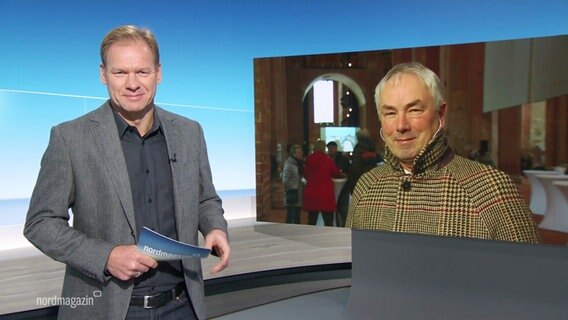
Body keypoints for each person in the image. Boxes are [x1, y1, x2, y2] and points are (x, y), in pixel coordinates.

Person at [24, 25, 230, 319]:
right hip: (106, 308)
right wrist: (106, 257)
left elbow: (205, 198)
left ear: (158, 73)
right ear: (103, 75)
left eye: (142, 72)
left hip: (182, 305)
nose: (132, 83)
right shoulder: (70, 138)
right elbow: (40, 223)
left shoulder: (189, 132)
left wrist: (215, 227)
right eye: (120, 73)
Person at [346, 62, 540, 243]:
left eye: (414, 110)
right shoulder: (366, 186)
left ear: (441, 113)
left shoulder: (493, 190)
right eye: (390, 113)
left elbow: (531, 276)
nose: (401, 125)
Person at [303, 140, 343, 226]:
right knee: (328, 221)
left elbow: (305, 175)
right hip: (325, 193)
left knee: (311, 221)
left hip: (312, 193)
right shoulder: (328, 160)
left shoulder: (308, 160)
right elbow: (336, 173)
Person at [345, 128, 378, 194]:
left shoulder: (359, 147)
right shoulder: (373, 146)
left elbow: (356, 166)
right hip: (372, 178)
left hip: (360, 179)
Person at [326, 141, 350, 227]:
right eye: (329, 148)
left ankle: (342, 226)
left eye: (331, 148)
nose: (330, 150)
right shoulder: (327, 159)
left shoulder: (342, 159)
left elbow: (346, 170)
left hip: (342, 186)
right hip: (335, 186)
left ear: (336, 148)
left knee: (342, 209)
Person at [281, 144, 304, 224]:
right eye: (299, 152)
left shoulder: (300, 163)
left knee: (297, 215)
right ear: (294, 153)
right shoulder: (289, 164)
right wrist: (295, 186)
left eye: (301, 152)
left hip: (299, 193)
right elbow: (285, 180)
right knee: (290, 215)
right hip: (293, 192)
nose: (301, 154)